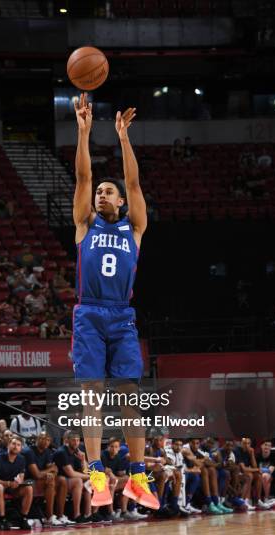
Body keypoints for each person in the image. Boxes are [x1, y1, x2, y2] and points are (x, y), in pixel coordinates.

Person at [71, 93, 158, 511]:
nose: (102, 194)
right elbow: (82, 180)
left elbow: (135, 183)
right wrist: (84, 132)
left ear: (120, 202)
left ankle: (139, 477)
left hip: (121, 316)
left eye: (110, 192)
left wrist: (124, 139)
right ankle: (96, 473)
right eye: (101, 191)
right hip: (89, 312)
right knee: (92, 395)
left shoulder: (134, 228)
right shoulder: (84, 223)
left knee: (129, 396)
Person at [0, 436, 32, 530]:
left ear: (21, 448)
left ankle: (23, 519)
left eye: (18, 445)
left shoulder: (21, 459)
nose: (15, 446)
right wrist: (8, 483)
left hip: (12, 487)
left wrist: (18, 482)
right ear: (8, 445)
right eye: (13, 444)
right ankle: (2, 519)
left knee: (29, 488)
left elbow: (21, 476)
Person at [24, 432, 64, 526]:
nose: (46, 441)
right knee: (50, 482)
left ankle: (60, 515)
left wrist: (51, 473)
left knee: (62, 481)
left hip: (39, 480)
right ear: (37, 439)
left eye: (48, 440)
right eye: (43, 438)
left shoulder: (47, 452)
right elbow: (36, 474)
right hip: (26, 481)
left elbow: (55, 470)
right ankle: (49, 517)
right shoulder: (29, 452)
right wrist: (50, 470)